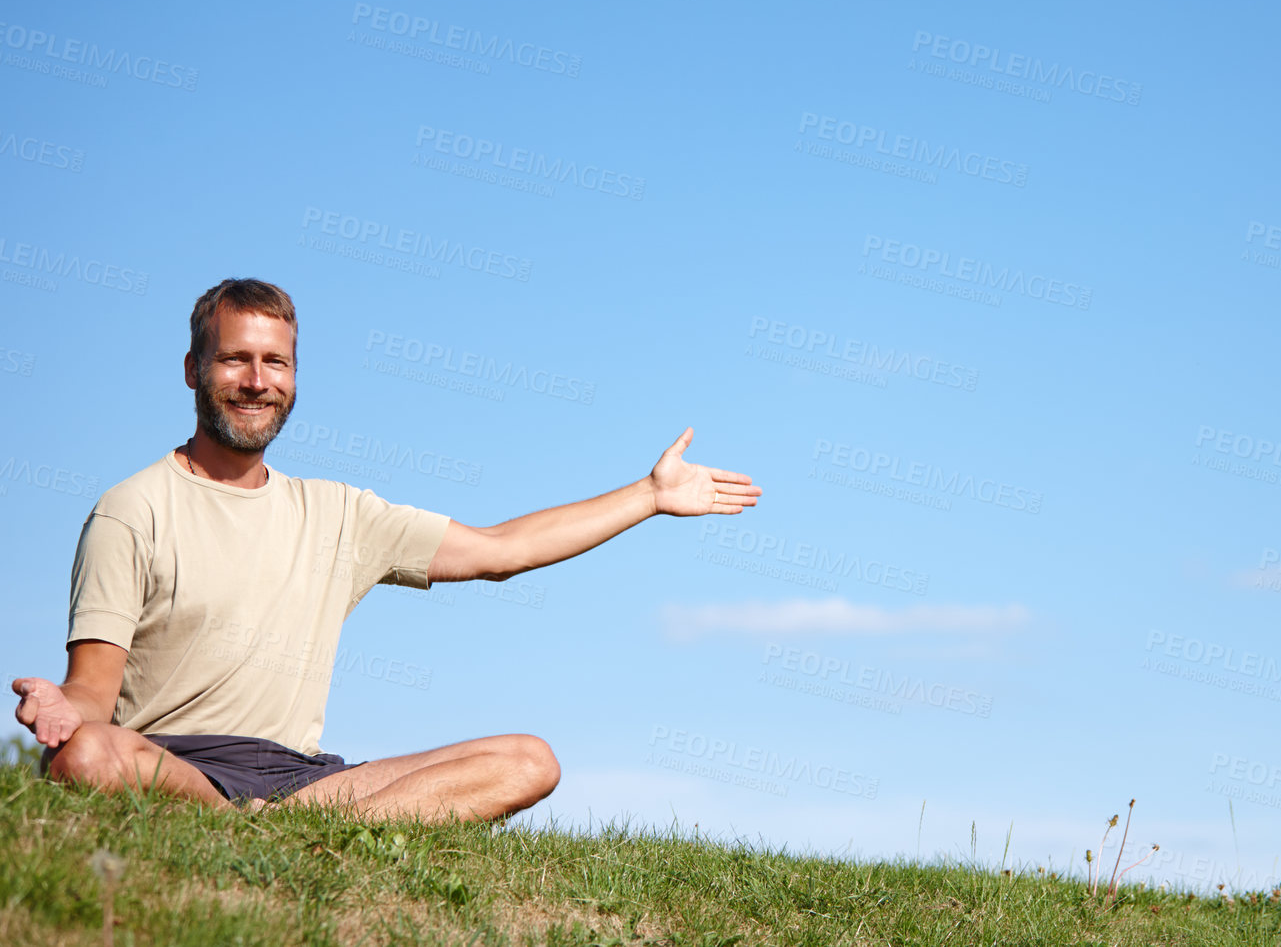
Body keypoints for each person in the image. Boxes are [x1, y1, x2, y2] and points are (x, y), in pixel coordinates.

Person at [10, 278, 761, 821]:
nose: (256, 382)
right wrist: (61, 709)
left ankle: (289, 829)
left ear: (294, 377)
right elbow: (94, 694)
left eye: (276, 364)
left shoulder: (339, 514)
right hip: (175, 765)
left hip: (302, 780)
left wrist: (650, 496)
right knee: (85, 758)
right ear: (193, 371)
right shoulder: (132, 509)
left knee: (529, 760)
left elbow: (502, 548)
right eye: (235, 359)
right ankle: (266, 827)